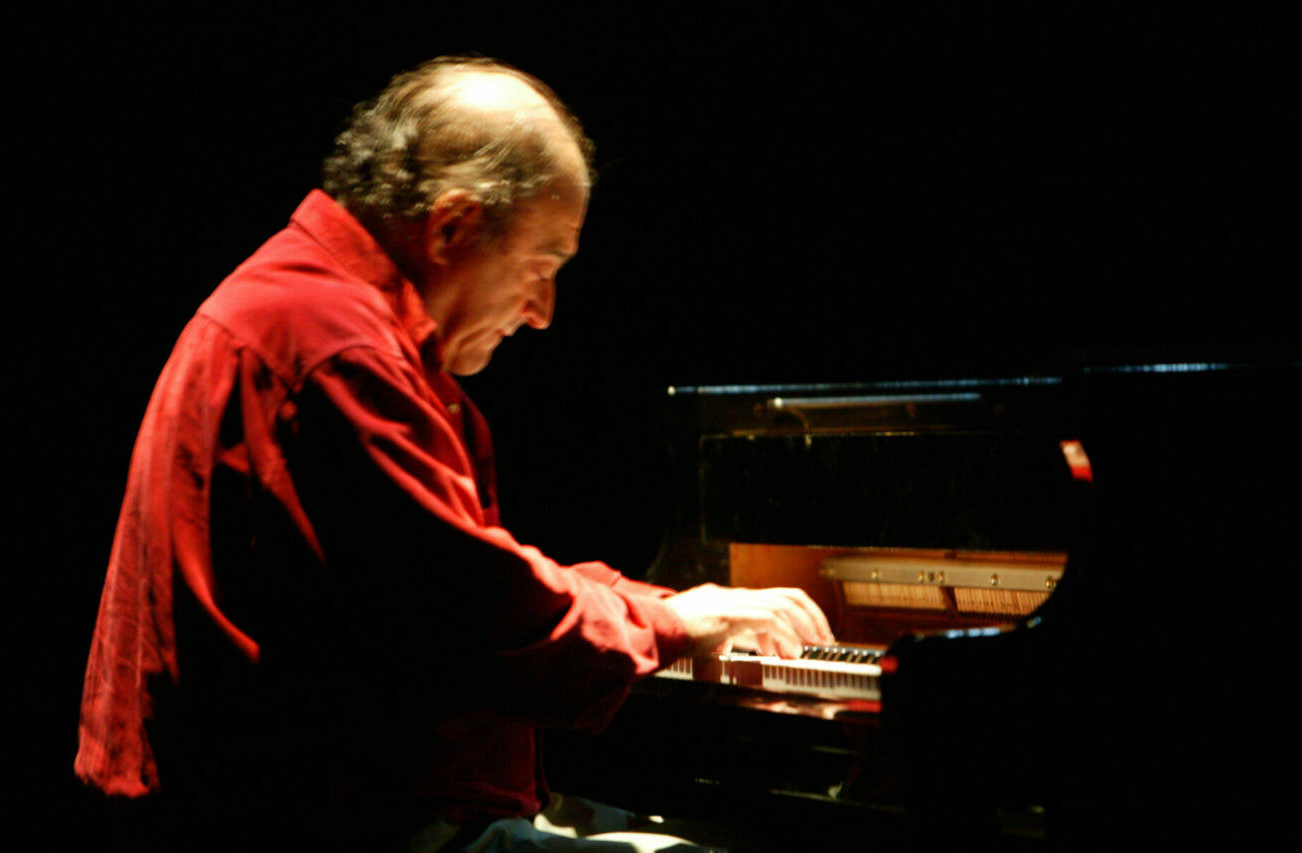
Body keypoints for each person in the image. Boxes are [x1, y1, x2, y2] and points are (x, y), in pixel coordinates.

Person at [74, 56, 832, 851]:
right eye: (541, 266)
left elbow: (435, 579)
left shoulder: (309, 306)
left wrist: (652, 605)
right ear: (450, 227)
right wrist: (672, 620)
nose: (542, 312)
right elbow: (476, 614)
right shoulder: (334, 344)